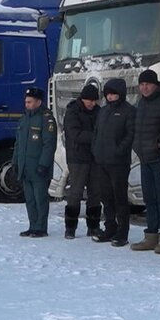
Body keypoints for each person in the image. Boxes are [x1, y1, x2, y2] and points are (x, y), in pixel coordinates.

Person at [130, 69, 160, 253]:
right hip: (145, 158)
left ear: (155, 85)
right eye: (141, 84)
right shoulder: (141, 103)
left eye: (148, 84)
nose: (145, 87)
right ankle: (151, 235)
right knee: (149, 199)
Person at [91, 77, 135, 247]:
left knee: (120, 198)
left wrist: (118, 151)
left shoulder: (128, 111)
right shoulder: (103, 111)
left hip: (119, 163)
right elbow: (96, 132)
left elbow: (130, 135)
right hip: (101, 161)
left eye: (113, 94)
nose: (110, 97)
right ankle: (110, 227)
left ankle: (122, 232)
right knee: (106, 197)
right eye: (108, 94)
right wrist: (96, 150)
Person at [13, 86, 58, 238]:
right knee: (30, 199)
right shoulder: (24, 119)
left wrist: (44, 164)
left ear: (39, 102)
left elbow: (49, 144)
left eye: (30, 102)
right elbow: (18, 144)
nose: (27, 105)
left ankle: (41, 227)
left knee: (40, 199)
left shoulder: (46, 119)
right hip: (25, 167)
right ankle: (32, 225)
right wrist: (16, 162)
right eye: (26, 102)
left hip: (38, 167)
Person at [62, 83, 102, 239]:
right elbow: (75, 134)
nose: (92, 103)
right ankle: (70, 228)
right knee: (75, 193)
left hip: (95, 158)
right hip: (77, 158)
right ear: (83, 99)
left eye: (94, 101)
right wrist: (96, 137)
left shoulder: (99, 112)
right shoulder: (72, 112)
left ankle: (94, 226)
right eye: (89, 100)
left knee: (95, 193)